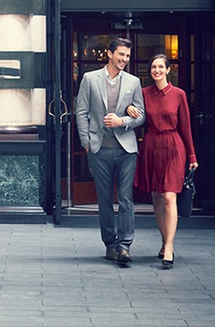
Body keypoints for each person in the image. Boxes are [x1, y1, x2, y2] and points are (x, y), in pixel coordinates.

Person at [75, 37, 146, 264]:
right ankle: (110, 244)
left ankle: (125, 245)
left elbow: (141, 116)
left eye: (127, 56)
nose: (124, 59)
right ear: (110, 54)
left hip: (126, 150)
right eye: (121, 55)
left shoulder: (133, 82)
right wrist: (87, 143)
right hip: (99, 150)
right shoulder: (90, 79)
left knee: (125, 199)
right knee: (104, 200)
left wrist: (122, 121)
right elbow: (81, 112)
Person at [127, 54, 199, 269]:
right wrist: (129, 110)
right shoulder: (143, 94)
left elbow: (186, 126)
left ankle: (169, 247)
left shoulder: (179, 94)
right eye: (153, 67)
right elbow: (136, 116)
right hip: (151, 145)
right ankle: (163, 241)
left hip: (174, 146)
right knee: (157, 196)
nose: (156, 70)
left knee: (169, 195)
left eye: (160, 67)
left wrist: (192, 156)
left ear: (168, 70)